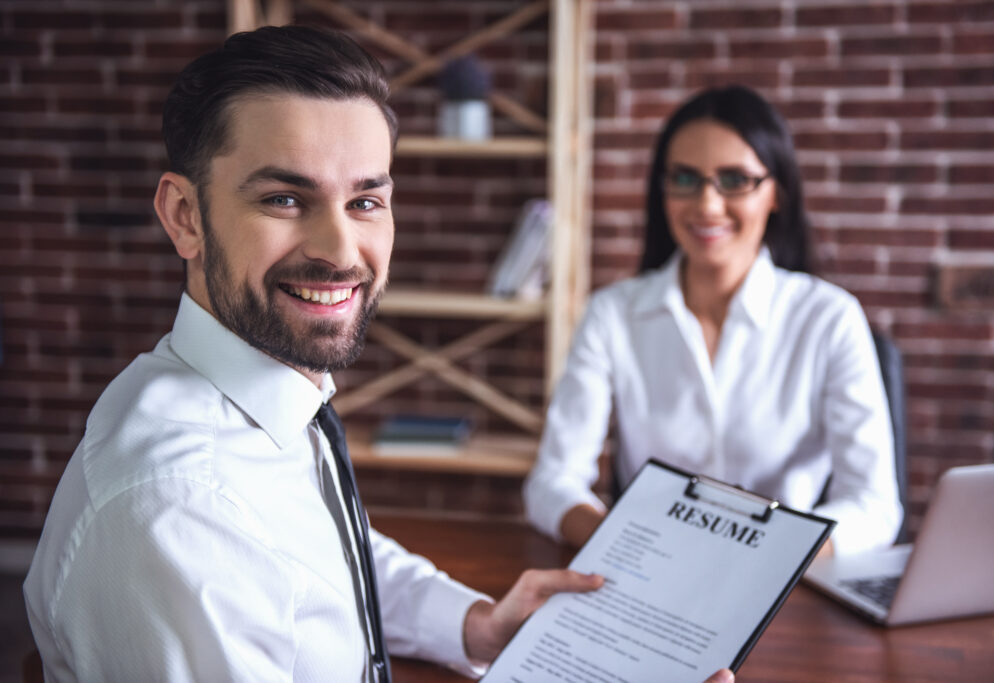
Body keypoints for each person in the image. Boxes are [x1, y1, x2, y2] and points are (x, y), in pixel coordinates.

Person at [21, 25, 636, 683]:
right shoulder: (182, 510)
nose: (341, 250)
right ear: (184, 216)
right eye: (285, 198)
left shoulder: (257, 400)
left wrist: (475, 624)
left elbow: (319, 556)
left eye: (365, 200)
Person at [524, 85, 902, 557]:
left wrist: (777, 558)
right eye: (685, 179)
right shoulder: (612, 315)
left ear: (776, 193)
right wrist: (624, 543)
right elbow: (551, 484)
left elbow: (874, 505)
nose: (706, 204)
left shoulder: (829, 318)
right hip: (652, 572)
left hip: (785, 580)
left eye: (734, 180)